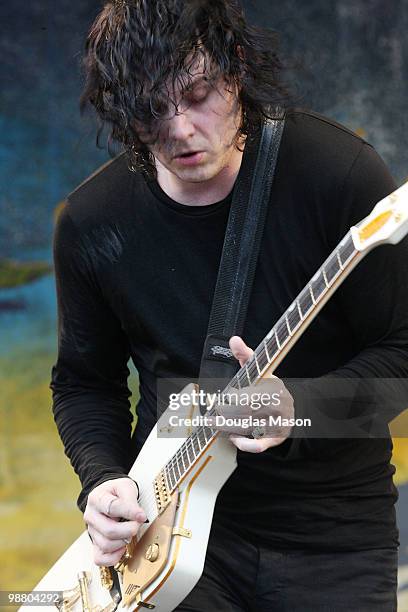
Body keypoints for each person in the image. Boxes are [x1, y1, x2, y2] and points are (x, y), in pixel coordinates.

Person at [51, 1, 408, 610]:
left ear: (234, 69)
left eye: (197, 95)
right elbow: (85, 384)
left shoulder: (338, 175)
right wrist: (103, 481)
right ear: (121, 111)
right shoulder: (92, 223)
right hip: (166, 535)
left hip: (330, 538)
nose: (181, 129)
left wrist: (296, 408)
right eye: (151, 110)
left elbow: (402, 358)